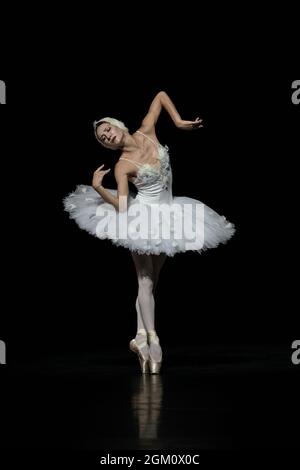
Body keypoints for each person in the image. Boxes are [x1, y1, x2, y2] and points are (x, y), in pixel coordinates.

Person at [63, 91, 235, 375]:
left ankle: (139, 337)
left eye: (108, 129)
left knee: (152, 281)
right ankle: (153, 342)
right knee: (144, 280)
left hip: (170, 215)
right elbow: (120, 205)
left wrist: (179, 122)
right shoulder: (122, 167)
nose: (107, 136)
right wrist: (97, 188)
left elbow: (160, 96)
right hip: (141, 217)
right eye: (102, 138)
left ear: (119, 125)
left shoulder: (147, 130)